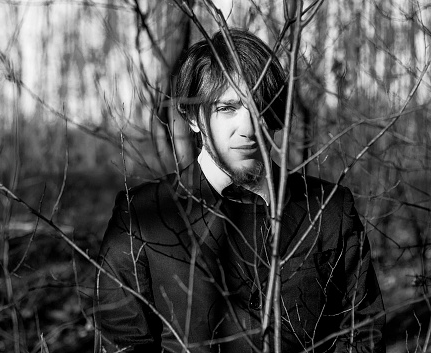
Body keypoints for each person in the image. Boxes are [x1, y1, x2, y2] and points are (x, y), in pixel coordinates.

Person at [94, 29, 385, 353]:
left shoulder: (330, 210)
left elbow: (363, 337)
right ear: (193, 117)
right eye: (227, 108)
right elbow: (123, 344)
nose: (248, 128)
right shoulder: (143, 215)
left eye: (259, 106)